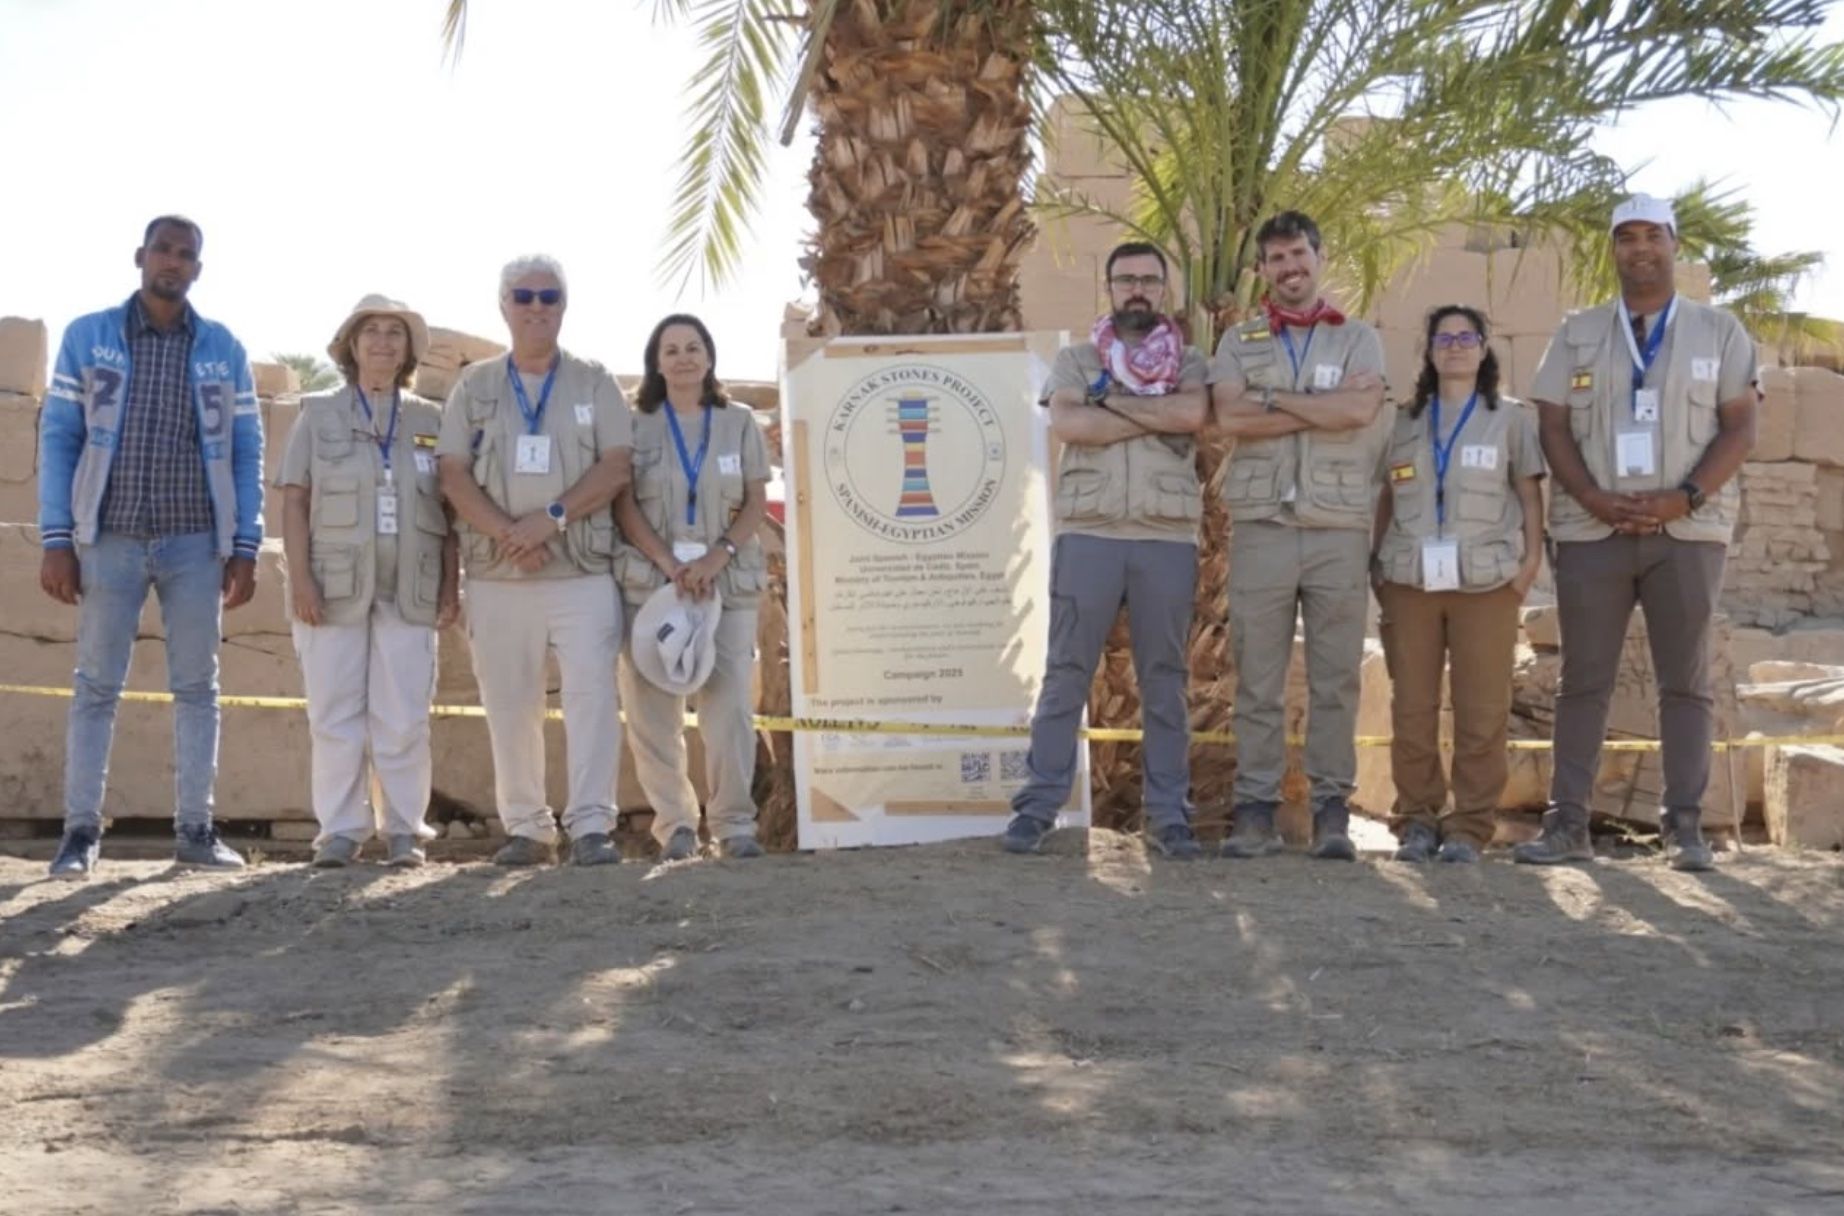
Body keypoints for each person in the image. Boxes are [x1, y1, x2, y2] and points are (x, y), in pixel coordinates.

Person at [1515, 194, 1757, 872]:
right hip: (1594, 529)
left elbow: (1741, 427)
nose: (1641, 247)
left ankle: (1685, 828)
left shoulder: (1720, 331)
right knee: (1582, 680)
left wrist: (1685, 497)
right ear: (1614, 249)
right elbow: (1553, 423)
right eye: (1627, 237)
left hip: (1689, 529)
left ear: (1674, 244)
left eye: (1653, 235)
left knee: (1686, 681)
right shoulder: (1579, 331)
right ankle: (1566, 825)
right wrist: (1592, 497)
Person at [39, 216, 263, 880]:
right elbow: (59, 437)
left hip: (195, 541)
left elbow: (247, 450)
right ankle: (80, 834)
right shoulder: (90, 336)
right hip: (109, 536)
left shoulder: (222, 348)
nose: (172, 261)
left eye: (185, 254)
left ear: (198, 269)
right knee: (95, 685)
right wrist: (57, 537)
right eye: (163, 249)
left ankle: (195, 831)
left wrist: (245, 543)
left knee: (197, 687)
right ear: (140, 257)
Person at [1000, 242, 1211, 858]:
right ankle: (1038, 807)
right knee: (1066, 673)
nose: (1137, 289)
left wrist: (1108, 401)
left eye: (1149, 279)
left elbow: (1191, 413)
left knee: (1165, 681)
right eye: (1126, 279)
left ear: (1164, 289)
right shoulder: (1077, 358)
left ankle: (1168, 815)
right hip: (1089, 533)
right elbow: (1070, 424)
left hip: (1165, 537)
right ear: (1110, 287)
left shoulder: (1191, 361)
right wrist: (1153, 412)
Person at [436, 255, 634, 866]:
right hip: (499, 575)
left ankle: (592, 825)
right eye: (523, 297)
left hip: (580, 571)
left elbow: (616, 466)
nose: (536, 308)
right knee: (510, 705)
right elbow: (452, 473)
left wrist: (548, 520)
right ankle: (527, 827)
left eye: (549, 297)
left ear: (564, 307)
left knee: (592, 699)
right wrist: (508, 534)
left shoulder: (594, 382)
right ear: (504, 306)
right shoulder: (475, 386)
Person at [1210, 210, 1389, 861]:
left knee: (1335, 678)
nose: (1290, 268)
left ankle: (1331, 811)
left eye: (1299, 255)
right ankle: (1255, 810)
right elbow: (1231, 417)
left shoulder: (1359, 339)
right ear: (1263, 269)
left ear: (1319, 257)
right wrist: (1316, 406)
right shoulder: (1239, 341)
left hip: (1338, 527)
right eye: (1277, 259)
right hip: (1262, 526)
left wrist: (1273, 398)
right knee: (1257, 677)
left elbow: (1359, 410)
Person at [277, 295, 459, 868]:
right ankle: (341, 830)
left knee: (404, 715)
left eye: (394, 333)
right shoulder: (318, 414)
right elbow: (294, 501)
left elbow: (451, 511)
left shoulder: (431, 419)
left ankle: (404, 830)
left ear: (408, 350)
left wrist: (450, 587)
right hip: (331, 587)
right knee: (334, 715)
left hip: (410, 587)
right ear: (351, 346)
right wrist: (299, 580)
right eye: (371, 331)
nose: (382, 342)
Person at [1372, 306, 1544, 863]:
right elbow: (1386, 495)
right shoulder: (1402, 420)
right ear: (1428, 350)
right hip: (1410, 581)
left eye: (1466, 337)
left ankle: (1470, 825)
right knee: (1412, 708)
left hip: (1488, 583)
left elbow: (1529, 495)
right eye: (1443, 338)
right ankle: (1417, 820)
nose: (1455, 346)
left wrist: (1528, 567)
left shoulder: (1511, 419)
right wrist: (1378, 564)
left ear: (1484, 347)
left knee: (1482, 710)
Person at [613, 315, 772, 861]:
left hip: (725, 581)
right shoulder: (635, 424)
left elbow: (755, 501)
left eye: (693, 347)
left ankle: (734, 824)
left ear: (709, 355)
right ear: (656, 362)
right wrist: (667, 563)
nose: (683, 358)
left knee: (728, 710)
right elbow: (623, 503)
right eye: (672, 349)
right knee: (652, 712)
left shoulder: (739, 422)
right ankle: (676, 825)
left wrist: (715, 556)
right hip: (651, 583)